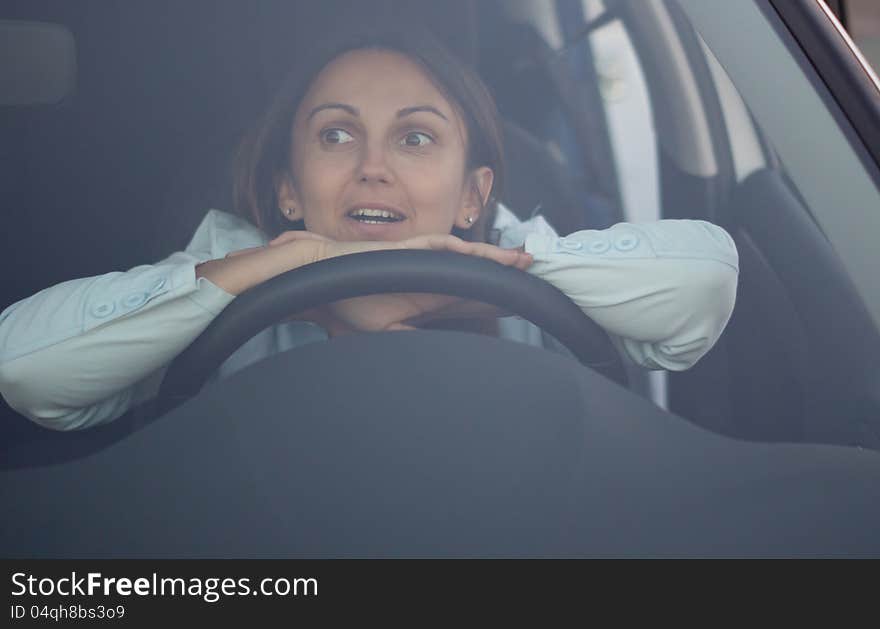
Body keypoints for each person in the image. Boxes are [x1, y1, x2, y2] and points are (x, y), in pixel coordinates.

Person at [0, 27, 739, 432]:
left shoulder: (516, 248)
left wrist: (479, 285)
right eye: (335, 136)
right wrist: (266, 277)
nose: (373, 167)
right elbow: (25, 365)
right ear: (288, 189)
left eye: (415, 138)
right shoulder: (228, 261)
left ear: (472, 193)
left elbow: (704, 280)